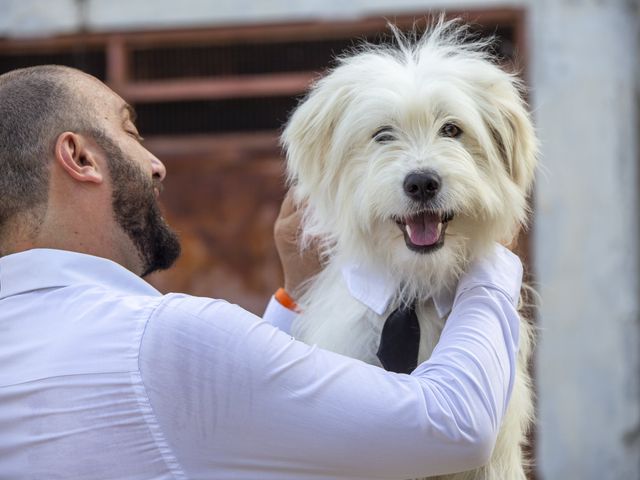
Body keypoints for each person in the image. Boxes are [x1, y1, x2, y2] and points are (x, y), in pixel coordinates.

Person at [0, 65, 523, 479]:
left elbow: (221, 411)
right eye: (131, 132)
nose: (157, 163)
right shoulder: (159, 339)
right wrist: (494, 261)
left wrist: (295, 296)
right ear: (79, 157)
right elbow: (454, 427)